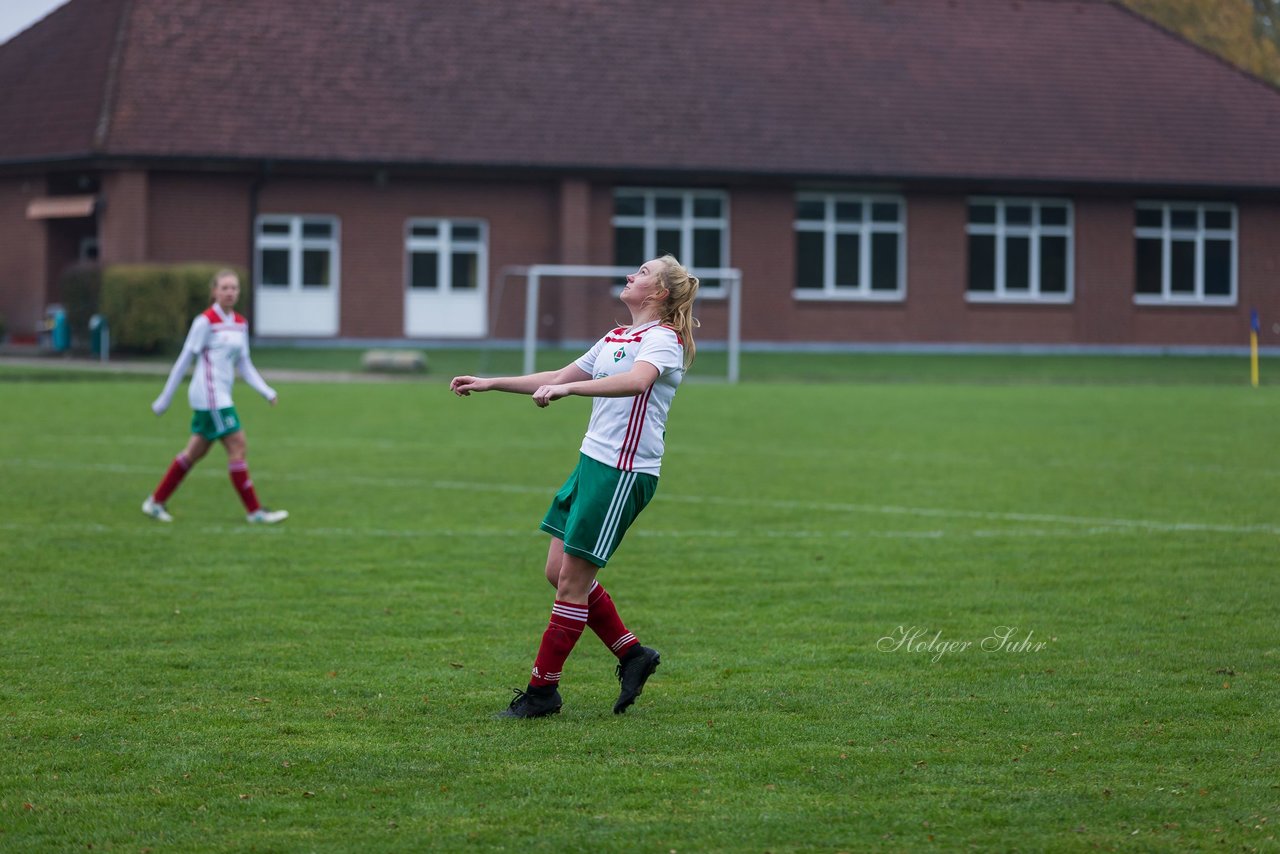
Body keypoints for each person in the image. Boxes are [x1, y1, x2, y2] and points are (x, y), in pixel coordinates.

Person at [451, 254, 699, 718]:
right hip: (590, 465)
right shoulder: (616, 336)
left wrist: (570, 392)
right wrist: (490, 383)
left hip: (623, 473)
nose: (631, 275)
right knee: (557, 573)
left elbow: (636, 382)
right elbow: (558, 378)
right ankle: (632, 655)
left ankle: (542, 692)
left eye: (643, 273)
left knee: (571, 584)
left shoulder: (662, 340)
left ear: (660, 293)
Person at [142, 269, 289, 525]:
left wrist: (266, 391)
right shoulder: (205, 322)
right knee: (238, 445)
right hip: (210, 397)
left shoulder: (240, 324)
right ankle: (255, 512)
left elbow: (244, 364)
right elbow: (184, 360)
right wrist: (165, 398)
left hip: (220, 396)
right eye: (225, 288)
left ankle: (155, 502)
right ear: (214, 292)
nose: (230, 292)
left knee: (194, 452)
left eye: (234, 288)